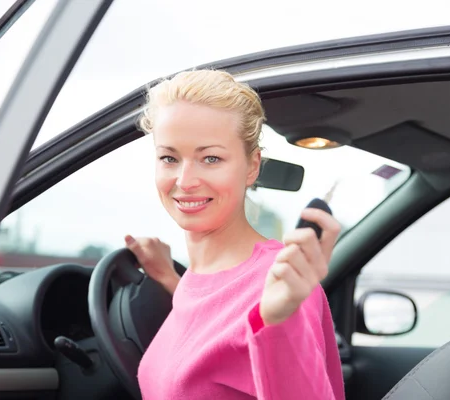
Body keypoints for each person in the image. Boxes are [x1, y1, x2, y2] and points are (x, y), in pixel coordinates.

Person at [125, 69, 345, 399]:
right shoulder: (197, 277)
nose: (185, 180)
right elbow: (215, 335)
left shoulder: (282, 287)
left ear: (252, 166)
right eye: (169, 157)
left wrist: (277, 319)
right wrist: (169, 278)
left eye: (210, 158)